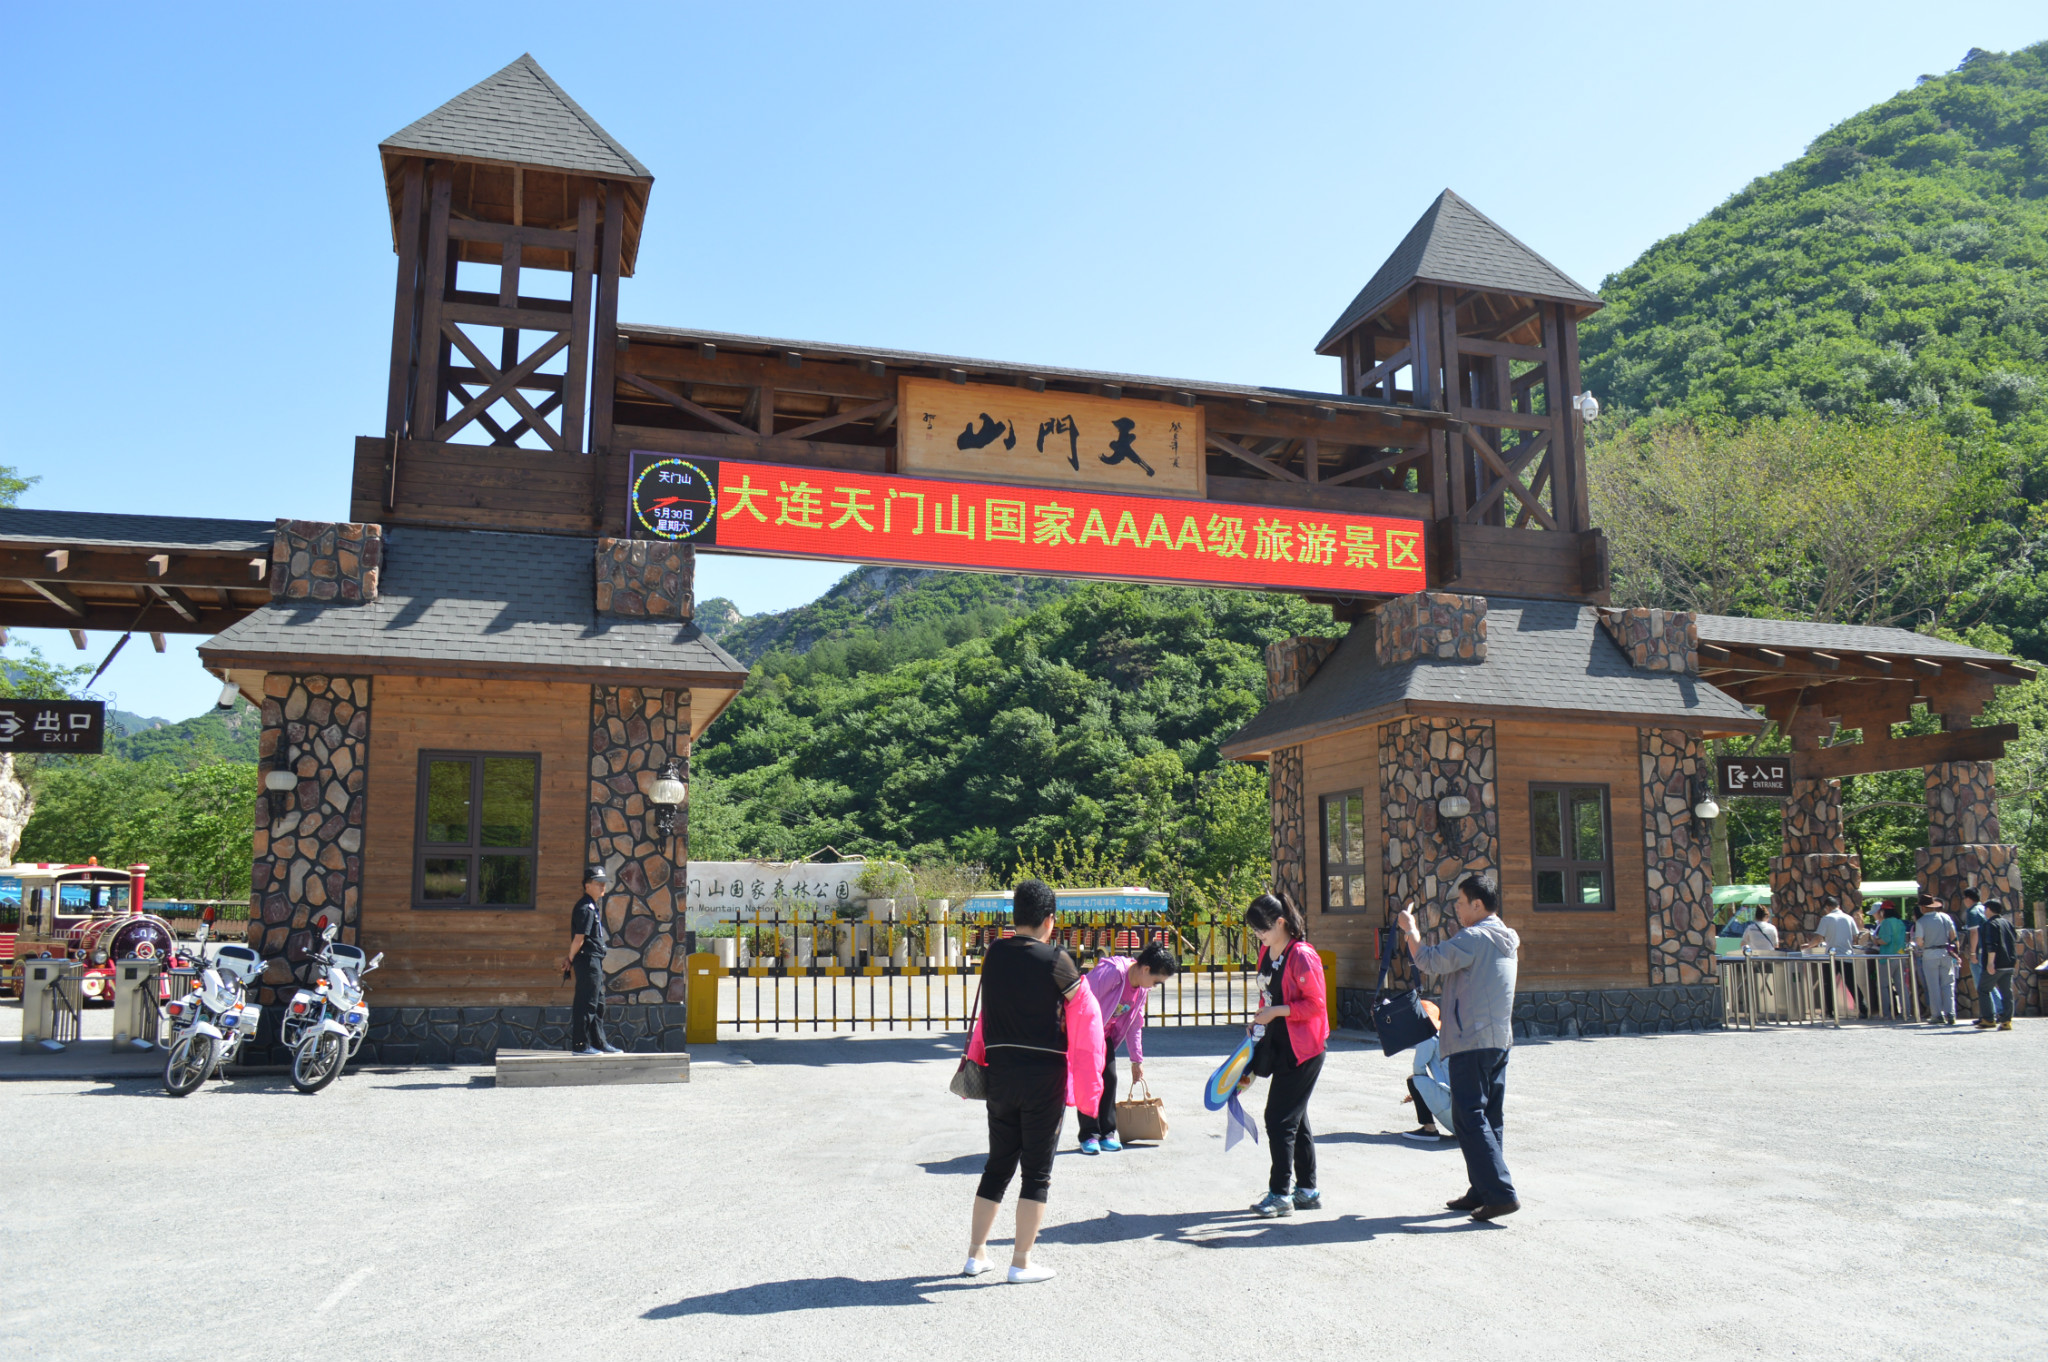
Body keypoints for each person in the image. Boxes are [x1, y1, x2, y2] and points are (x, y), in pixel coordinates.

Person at [962, 879, 1103, 1284]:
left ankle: (976, 1255)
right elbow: (1087, 1018)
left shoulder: (994, 954)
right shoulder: (1057, 960)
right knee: (1036, 1172)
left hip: (1000, 1075)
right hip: (1044, 1077)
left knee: (997, 1165)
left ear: (1015, 917)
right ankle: (1020, 1262)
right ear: (1049, 920)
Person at [1399, 875, 1521, 1222]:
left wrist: (1410, 931)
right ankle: (1483, 1189)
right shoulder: (1504, 937)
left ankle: (1500, 1193)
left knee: (1468, 1117)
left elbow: (1428, 960)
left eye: (1461, 902)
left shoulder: (1475, 936)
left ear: (1478, 906)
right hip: (1498, 1040)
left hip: (1471, 1041)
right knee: (1489, 1117)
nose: (1456, 908)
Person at [1245, 891, 1329, 1218]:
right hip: (1280, 1044)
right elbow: (1266, 994)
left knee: (1277, 1119)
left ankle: (1280, 1193)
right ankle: (1307, 1190)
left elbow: (1316, 1004)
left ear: (1281, 922)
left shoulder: (1302, 955)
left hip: (1304, 1049)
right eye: (1255, 931)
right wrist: (1258, 1022)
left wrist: (1277, 1011)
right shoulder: (1267, 951)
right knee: (1295, 1118)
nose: (1259, 936)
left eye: (1263, 929)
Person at [1075, 941, 1177, 1154]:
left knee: (1109, 1079)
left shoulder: (1140, 989)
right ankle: (1089, 1135)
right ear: (1146, 969)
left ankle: (1107, 1133)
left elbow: (1135, 1024)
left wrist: (1136, 1059)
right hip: (1086, 1034)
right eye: (1156, 982)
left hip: (1105, 1036)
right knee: (1089, 1082)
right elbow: (1081, 998)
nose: (1153, 986)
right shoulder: (1113, 972)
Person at [560, 865, 620, 1056]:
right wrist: (570, 959)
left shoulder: (592, 906)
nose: (603, 886)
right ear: (587, 886)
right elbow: (579, 939)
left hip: (594, 961)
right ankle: (580, 1045)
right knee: (586, 1003)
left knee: (598, 1003)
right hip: (587, 960)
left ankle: (598, 1042)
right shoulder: (585, 908)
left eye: (604, 883)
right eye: (598, 883)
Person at [1400, 999, 1453, 1141]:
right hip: (1465, 1110)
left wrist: (1418, 1092)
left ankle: (1429, 1129)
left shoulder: (1428, 1037)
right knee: (1419, 1081)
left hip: (1450, 1106)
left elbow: (1418, 1069)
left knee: (1414, 1079)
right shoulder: (1447, 1035)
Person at [1912, 896, 1959, 1025]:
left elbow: (1919, 941)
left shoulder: (1921, 922)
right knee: (1948, 985)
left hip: (1930, 954)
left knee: (1933, 986)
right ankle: (1951, 1013)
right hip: (1945, 952)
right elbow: (1953, 935)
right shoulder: (1945, 917)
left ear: (1922, 908)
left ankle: (1937, 1015)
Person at [1974, 899, 2019, 1031]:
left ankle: (1988, 1019)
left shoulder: (1990, 924)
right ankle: (2006, 1021)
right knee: (2007, 992)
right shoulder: (2007, 923)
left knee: (1983, 989)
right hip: (2009, 962)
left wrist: (1990, 963)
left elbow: (1991, 945)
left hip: (1996, 963)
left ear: (1988, 909)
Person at [1815, 895, 1863, 1020]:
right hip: (1847, 955)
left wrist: (1808, 945)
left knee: (1828, 984)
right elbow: (1855, 937)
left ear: (1828, 907)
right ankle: (1863, 1008)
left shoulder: (1826, 919)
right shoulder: (1849, 918)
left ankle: (1829, 1011)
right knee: (1851, 983)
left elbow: (1818, 937)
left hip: (1831, 956)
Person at [1958, 890, 1993, 1020]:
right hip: (1988, 950)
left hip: (1979, 952)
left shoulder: (1972, 912)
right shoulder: (1984, 909)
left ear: (1968, 899)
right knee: (1989, 984)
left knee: (1981, 985)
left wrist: (1972, 953)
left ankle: (1988, 1013)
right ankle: (1999, 1009)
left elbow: (1974, 933)